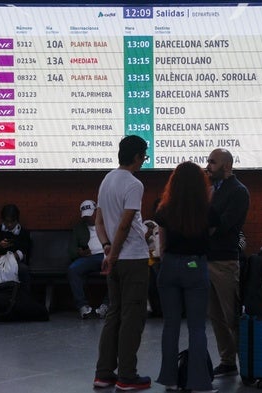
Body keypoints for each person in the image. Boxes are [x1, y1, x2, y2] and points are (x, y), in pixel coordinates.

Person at [93, 135, 151, 391]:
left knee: (114, 314)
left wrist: (107, 249)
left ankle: (104, 374)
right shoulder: (134, 184)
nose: (143, 161)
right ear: (137, 156)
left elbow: (99, 221)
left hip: (114, 259)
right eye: (144, 157)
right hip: (133, 259)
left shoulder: (107, 179)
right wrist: (114, 254)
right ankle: (127, 376)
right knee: (132, 317)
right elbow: (126, 224)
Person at [154, 161, 217, 393]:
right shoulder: (207, 209)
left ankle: (169, 379)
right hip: (195, 265)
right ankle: (199, 383)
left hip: (169, 265)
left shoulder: (164, 208)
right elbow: (211, 234)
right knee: (197, 327)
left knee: (170, 325)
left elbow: (161, 244)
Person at [205, 148, 250, 377]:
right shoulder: (212, 188)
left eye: (212, 162)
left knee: (232, 316)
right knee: (215, 316)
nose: (208, 166)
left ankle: (248, 364)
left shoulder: (239, 191)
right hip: (208, 259)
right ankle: (227, 361)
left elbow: (224, 225)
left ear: (227, 166)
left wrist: (202, 228)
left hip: (225, 261)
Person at [68, 199, 109, 319]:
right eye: (86, 217)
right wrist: (80, 253)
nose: (88, 219)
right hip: (89, 257)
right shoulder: (79, 228)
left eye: (90, 215)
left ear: (96, 211)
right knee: (73, 269)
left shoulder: (107, 223)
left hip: (106, 255)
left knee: (117, 268)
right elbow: (71, 250)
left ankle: (106, 305)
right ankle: (82, 306)